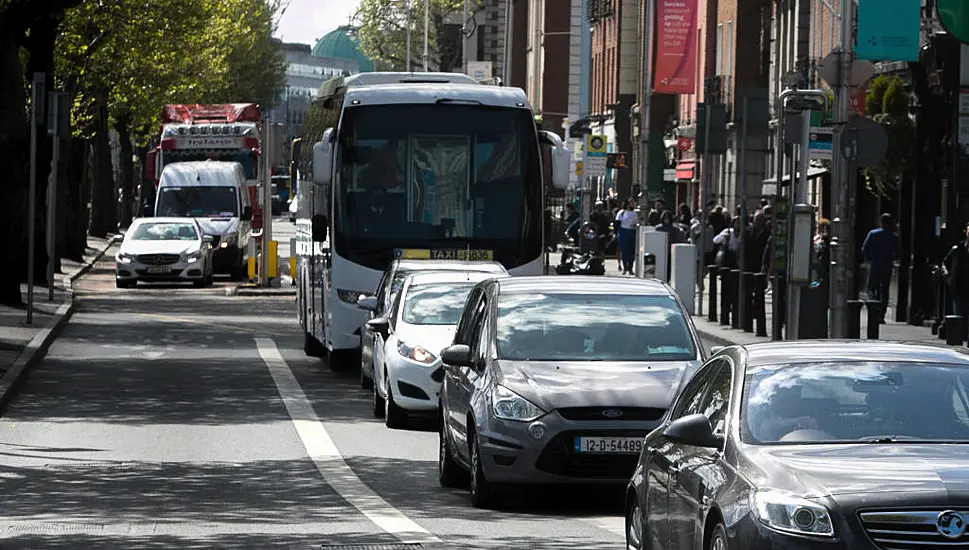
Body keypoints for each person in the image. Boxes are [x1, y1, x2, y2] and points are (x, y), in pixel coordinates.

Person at [861, 213, 902, 324]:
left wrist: (870, 258)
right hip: (887, 266)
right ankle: (881, 315)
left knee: (872, 288)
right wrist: (890, 258)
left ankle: (873, 310)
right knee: (885, 291)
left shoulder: (873, 234)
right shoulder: (894, 237)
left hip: (875, 265)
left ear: (881, 222)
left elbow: (864, 248)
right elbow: (898, 253)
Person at [943, 222, 969, 316]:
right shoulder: (957, 250)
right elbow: (945, 265)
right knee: (959, 319)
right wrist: (948, 278)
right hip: (959, 291)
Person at [615, 198, 639, 274]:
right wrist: (616, 233)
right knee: (625, 251)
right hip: (624, 232)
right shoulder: (622, 212)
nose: (633, 204)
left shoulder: (636, 213)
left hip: (633, 232)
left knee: (632, 251)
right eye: (631, 202)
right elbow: (617, 223)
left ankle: (630, 268)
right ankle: (625, 267)